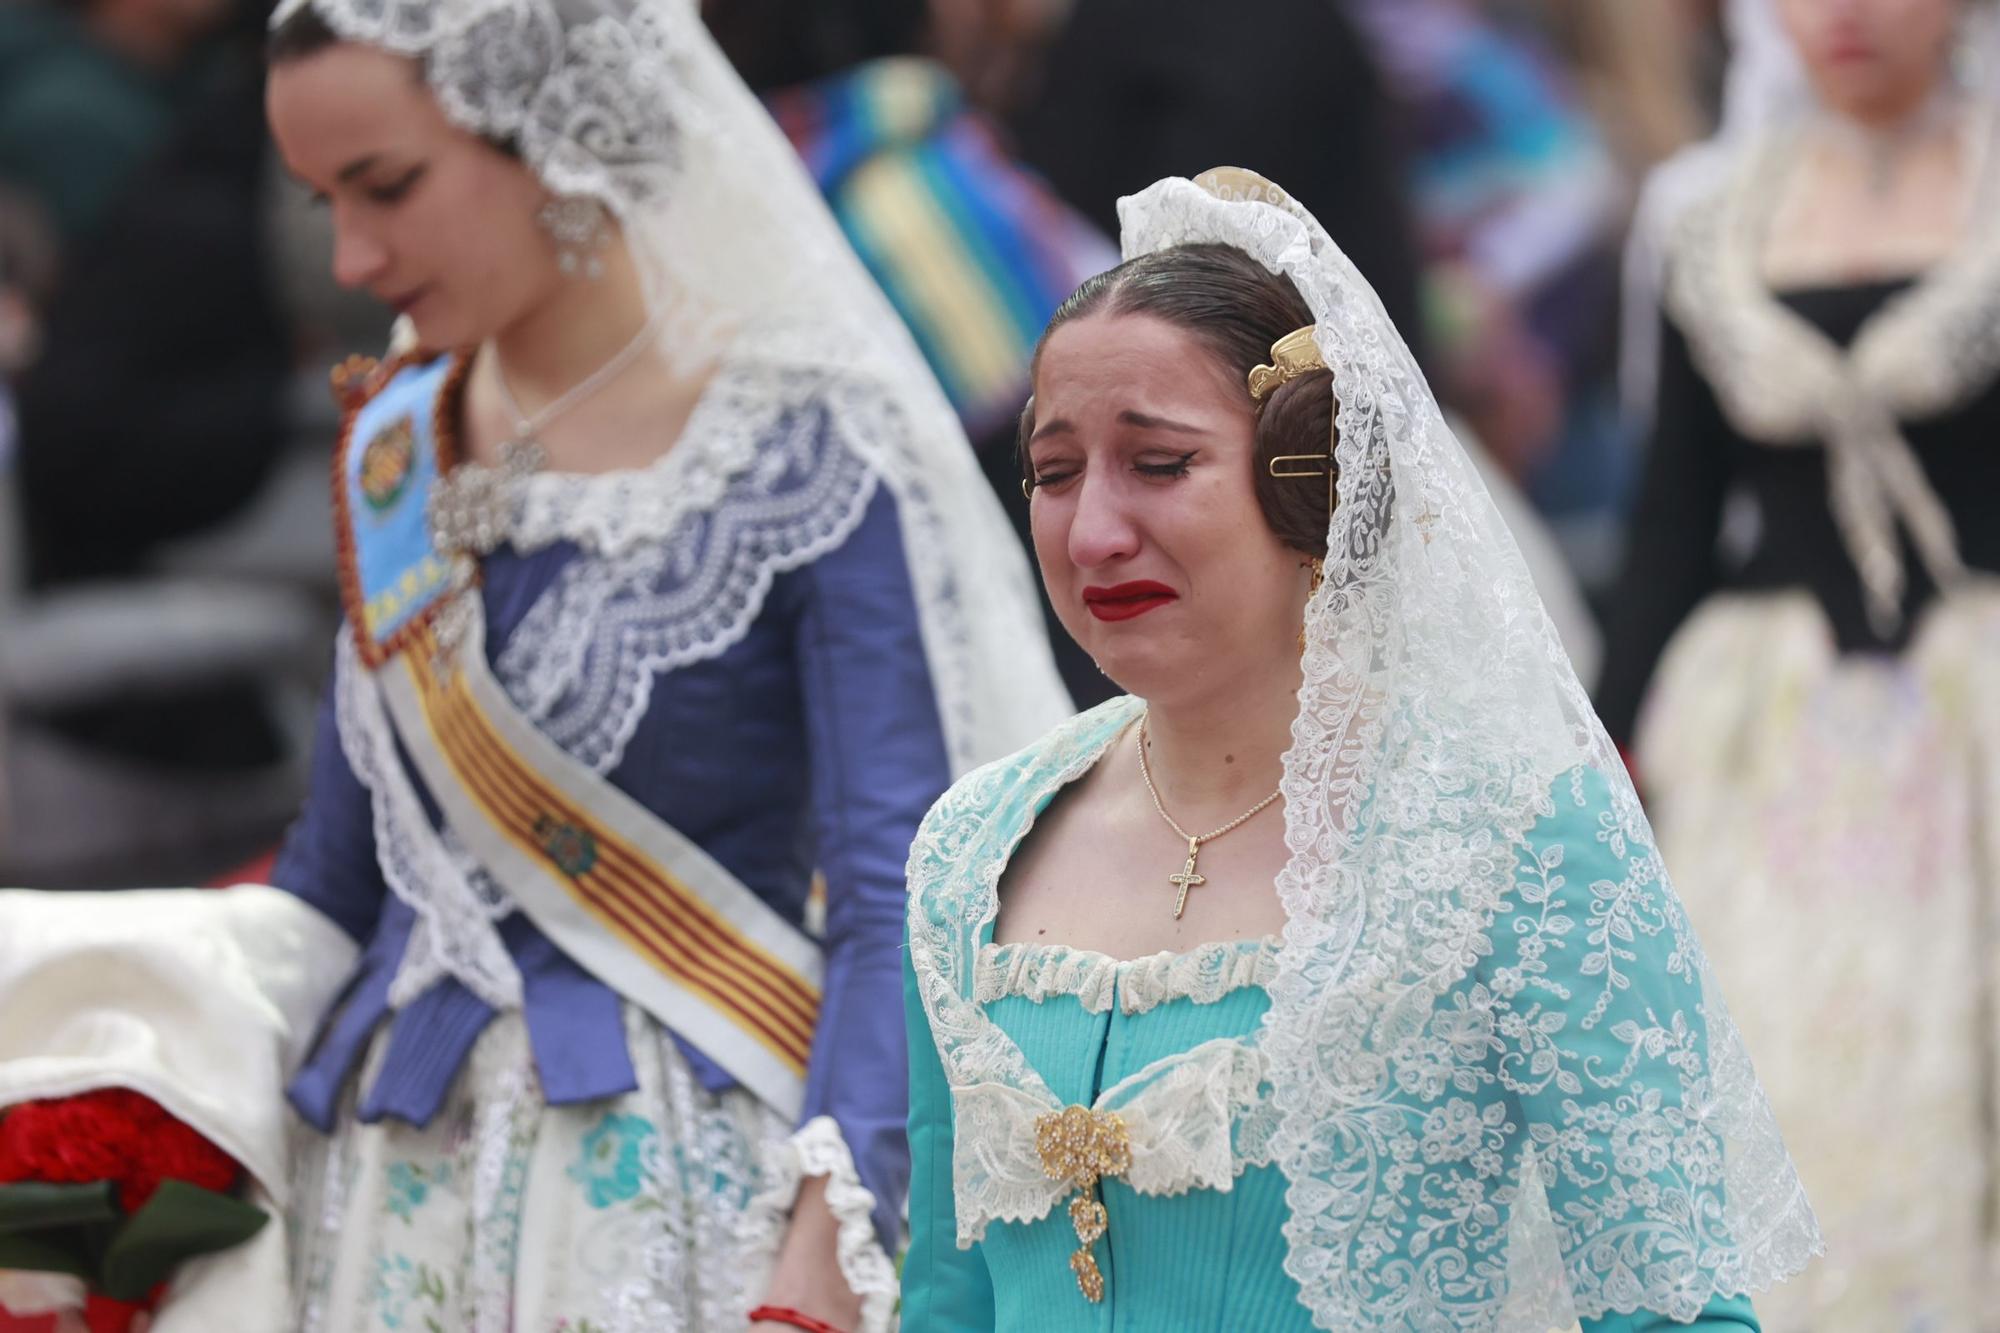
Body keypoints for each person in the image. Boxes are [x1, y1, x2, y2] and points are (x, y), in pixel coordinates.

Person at [0, 0, 1068, 1329]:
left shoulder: (790, 447)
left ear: (556, 138)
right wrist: (107, 1050)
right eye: (322, 198)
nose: (354, 254)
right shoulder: (396, 442)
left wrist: (830, 1248)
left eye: (387, 186)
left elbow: (893, 887)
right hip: (382, 1184)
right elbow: (335, 884)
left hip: (678, 1189)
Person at [901, 167, 1819, 1331]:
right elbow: (943, 1298)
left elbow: (1672, 1312)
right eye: (1053, 472)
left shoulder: (1505, 841)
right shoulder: (968, 854)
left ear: (1309, 481)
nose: (1091, 532)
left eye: (1158, 463)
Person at [1597, 0, 2000, 1323]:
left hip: (1979, 698)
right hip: (1768, 726)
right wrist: (1603, 746)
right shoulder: (1711, 218)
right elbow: (1671, 520)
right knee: (1768, 1060)